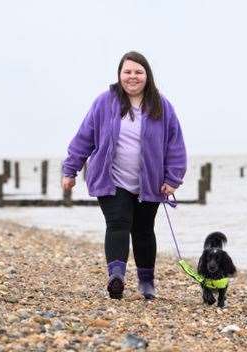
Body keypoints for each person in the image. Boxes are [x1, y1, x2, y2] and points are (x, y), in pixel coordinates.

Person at [61, 51, 187, 300]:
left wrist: (173, 178)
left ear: (147, 76)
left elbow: (175, 144)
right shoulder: (104, 102)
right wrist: (70, 170)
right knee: (117, 224)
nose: (132, 77)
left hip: (149, 182)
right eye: (127, 72)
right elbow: (84, 137)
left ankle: (147, 283)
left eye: (138, 72)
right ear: (119, 75)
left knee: (143, 230)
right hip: (111, 179)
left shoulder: (161, 106)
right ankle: (116, 277)